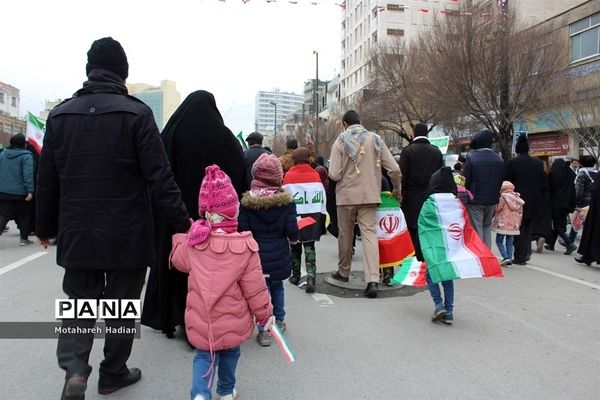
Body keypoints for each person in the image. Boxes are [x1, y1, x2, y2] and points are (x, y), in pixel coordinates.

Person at [35, 37, 191, 400]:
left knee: (78, 305)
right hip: (128, 232)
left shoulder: (60, 115)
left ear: (89, 70)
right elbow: (160, 177)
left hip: (78, 230)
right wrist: (185, 224)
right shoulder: (137, 114)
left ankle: (75, 370)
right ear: (123, 72)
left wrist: (44, 226)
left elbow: (47, 178)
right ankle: (112, 373)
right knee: (121, 308)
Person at [141, 90, 247, 339]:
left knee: (176, 263)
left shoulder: (172, 134)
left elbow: (154, 174)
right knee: (212, 269)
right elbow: (241, 175)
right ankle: (211, 320)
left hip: (176, 216)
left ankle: (172, 316)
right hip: (215, 221)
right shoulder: (225, 138)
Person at [170, 165, 273, 400]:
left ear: (206, 212)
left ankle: (200, 393)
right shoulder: (245, 247)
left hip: (202, 316)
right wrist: (265, 315)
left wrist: (181, 236)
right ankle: (226, 391)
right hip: (232, 317)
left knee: (204, 356)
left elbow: (178, 262)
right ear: (234, 212)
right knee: (230, 353)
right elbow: (255, 289)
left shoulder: (195, 242)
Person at [328, 110, 401, 298]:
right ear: (360, 122)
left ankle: (343, 272)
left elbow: (334, 174)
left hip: (346, 197)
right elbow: (393, 168)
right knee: (369, 234)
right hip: (370, 195)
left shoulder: (340, 141)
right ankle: (372, 279)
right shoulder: (376, 139)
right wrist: (397, 189)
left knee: (346, 233)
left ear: (345, 124)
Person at [239, 153, 299, 346]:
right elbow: (291, 230)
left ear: (255, 175)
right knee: (277, 287)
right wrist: (295, 239)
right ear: (278, 176)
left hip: (255, 254)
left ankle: (264, 329)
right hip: (279, 253)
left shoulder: (247, 203)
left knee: (259, 291)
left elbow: (242, 229)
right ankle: (279, 320)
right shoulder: (286, 202)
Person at [282, 147, 327, 293]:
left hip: (295, 217)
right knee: (309, 246)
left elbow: (284, 199)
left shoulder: (288, 176)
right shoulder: (315, 175)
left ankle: (295, 275)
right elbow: (322, 198)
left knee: (295, 246)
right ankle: (311, 278)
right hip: (312, 217)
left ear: (293, 160)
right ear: (308, 159)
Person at [399, 123, 444, 262]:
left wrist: (401, 194)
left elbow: (403, 176)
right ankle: (428, 257)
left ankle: (414, 258)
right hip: (431, 197)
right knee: (428, 228)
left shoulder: (407, 152)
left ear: (413, 133)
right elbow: (441, 175)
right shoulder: (436, 152)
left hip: (411, 197)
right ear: (427, 134)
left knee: (413, 227)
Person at [422, 166, 458, 324]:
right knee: (448, 278)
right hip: (451, 246)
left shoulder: (429, 203)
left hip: (434, 247)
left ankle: (439, 305)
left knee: (431, 276)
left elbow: (422, 226)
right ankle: (449, 311)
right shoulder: (455, 202)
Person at [504, 135, 545, 265]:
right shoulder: (538, 164)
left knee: (518, 228)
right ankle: (527, 252)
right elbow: (542, 183)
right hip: (534, 199)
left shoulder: (512, 163)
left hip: (516, 200)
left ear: (517, 149)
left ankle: (520, 256)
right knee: (528, 227)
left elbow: (507, 182)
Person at [462, 130, 504, 249]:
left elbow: (465, 180)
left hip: (475, 200)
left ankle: (480, 255)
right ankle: (488, 254)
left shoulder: (472, 158)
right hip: (492, 199)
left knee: (477, 228)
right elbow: (501, 179)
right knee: (486, 227)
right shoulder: (498, 159)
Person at [0, 133, 34, 246]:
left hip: (3, 191)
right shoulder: (27, 156)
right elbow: (28, 174)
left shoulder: (3, 154)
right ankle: (24, 239)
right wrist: (30, 190)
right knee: (24, 215)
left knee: (4, 215)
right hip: (21, 192)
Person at [546, 158, 577, 254]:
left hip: (556, 203)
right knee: (559, 224)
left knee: (557, 225)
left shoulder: (553, 175)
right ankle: (551, 244)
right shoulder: (571, 174)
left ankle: (569, 244)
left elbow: (549, 189)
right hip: (566, 204)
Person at [491, 181, 525, 266]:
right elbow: (520, 211)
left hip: (503, 223)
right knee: (510, 241)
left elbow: (498, 208)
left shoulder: (502, 197)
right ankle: (509, 259)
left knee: (499, 240)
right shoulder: (517, 198)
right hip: (514, 224)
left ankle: (505, 257)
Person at [568, 155, 598, 245]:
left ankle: (570, 242)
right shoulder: (597, 173)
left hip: (585, 202)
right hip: (595, 201)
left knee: (578, 221)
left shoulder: (582, 173)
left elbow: (578, 190)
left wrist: (576, 203)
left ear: (581, 164)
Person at [576, 167, 600, 266]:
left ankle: (588, 256)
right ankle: (588, 256)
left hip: (597, 210)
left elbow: (594, 189)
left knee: (593, 232)